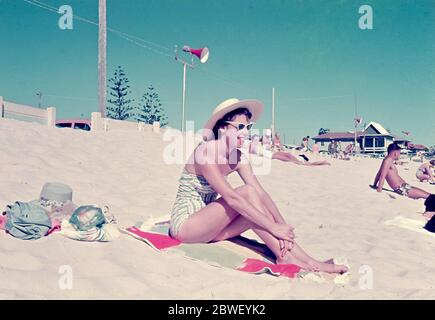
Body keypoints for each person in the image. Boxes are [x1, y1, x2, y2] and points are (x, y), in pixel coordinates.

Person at [169, 98, 348, 273]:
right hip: (186, 227)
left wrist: (282, 227)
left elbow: (261, 194)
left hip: (211, 229)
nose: (245, 133)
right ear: (223, 128)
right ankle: (284, 256)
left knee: (253, 202)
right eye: (239, 127)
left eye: (248, 127)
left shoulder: (238, 157)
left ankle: (308, 259)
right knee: (246, 194)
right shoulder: (205, 152)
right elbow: (231, 198)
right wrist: (273, 228)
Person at [372, 143, 435, 219]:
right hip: (402, 188)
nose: (399, 155)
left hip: (404, 187)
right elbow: (382, 176)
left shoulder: (387, 160)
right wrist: (379, 191)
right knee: (429, 196)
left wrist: (374, 185)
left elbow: (379, 173)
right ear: (395, 152)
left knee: (428, 195)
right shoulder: (388, 160)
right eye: (399, 153)